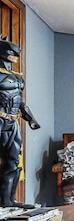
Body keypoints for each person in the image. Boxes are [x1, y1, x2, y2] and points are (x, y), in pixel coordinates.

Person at [0, 36, 40, 207]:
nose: (16, 55)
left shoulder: (18, 78)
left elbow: (20, 103)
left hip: (13, 122)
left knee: (14, 160)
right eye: (12, 52)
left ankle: (9, 201)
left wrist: (31, 119)